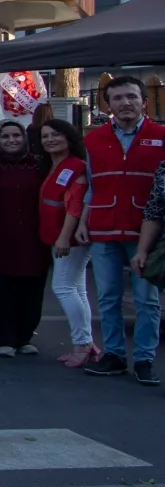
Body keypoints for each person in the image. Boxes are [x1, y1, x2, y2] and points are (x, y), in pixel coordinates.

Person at [82, 74, 165, 384]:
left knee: (147, 300)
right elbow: (91, 186)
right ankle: (114, 354)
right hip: (104, 228)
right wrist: (83, 222)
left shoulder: (161, 136)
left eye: (131, 96)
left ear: (144, 101)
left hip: (146, 231)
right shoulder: (93, 139)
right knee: (107, 297)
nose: (125, 102)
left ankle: (144, 358)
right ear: (108, 105)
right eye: (117, 98)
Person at [0, 119, 48, 357]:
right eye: (6, 136)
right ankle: (3, 339)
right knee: (0, 290)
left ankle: (24, 338)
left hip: (33, 238)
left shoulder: (39, 165)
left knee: (31, 290)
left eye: (16, 136)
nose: (12, 140)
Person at [40, 118, 96, 367]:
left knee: (63, 287)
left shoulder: (76, 167)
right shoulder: (54, 165)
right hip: (58, 236)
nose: (50, 140)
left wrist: (64, 237)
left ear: (68, 137)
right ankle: (86, 342)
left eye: (55, 135)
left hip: (70, 239)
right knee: (77, 289)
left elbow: (75, 205)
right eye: (45, 136)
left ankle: (82, 343)